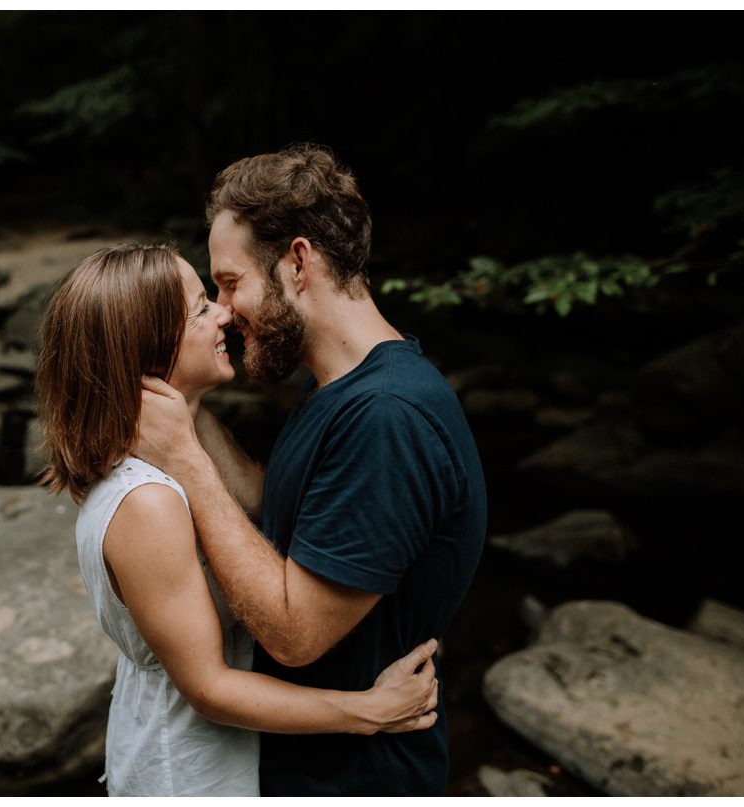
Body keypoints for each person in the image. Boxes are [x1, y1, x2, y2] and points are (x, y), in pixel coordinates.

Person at [134, 145, 487, 796]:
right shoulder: (338, 386)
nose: (223, 308)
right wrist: (187, 410)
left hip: (360, 777)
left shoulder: (387, 419)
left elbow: (297, 633)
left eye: (232, 282)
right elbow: (281, 513)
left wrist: (183, 458)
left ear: (298, 262)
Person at [35, 244, 442, 797]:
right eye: (201, 308)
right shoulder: (147, 503)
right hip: (190, 772)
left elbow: (257, 510)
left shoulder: (170, 459)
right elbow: (209, 688)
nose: (224, 313)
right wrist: (370, 711)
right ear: (149, 348)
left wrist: (187, 431)